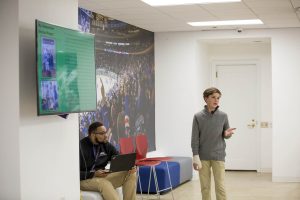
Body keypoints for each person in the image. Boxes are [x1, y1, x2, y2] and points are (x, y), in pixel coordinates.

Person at [191, 87, 236, 200]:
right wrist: (195, 156)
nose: (216, 100)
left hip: (218, 155)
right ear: (206, 99)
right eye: (213, 97)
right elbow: (194, 138)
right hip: (203, 157)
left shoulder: (223, 116)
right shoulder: (198, 116)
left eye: (218, 98)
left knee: (220, 187)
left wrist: (227, 134)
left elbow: (227, 134)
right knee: (205, 187)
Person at [80, 121, 137, 200]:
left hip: (102, 176)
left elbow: (119, 158)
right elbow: (74, 174)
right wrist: (93, 174)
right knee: (104, 183)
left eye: (105, 133)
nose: (106, 136)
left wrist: (129, 165)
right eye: (102, 133)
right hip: (85, 180)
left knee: (130, 173)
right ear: (93, 134)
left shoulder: (105, 144)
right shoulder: (80, 147)